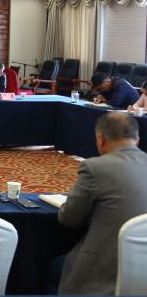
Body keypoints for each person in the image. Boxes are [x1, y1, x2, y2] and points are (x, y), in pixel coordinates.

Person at [58, 112, 147, 295]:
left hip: (102, 271)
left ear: (101, 139)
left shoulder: (95, 167)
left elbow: (69, 219)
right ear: (137, 140)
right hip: (142, 271)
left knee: (47, 265)